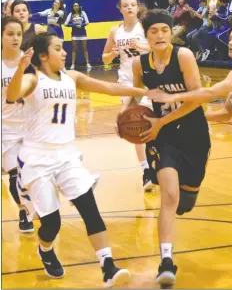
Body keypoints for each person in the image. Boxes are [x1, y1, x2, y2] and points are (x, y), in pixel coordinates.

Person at [6, 31, 150, 286]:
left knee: (90, 209)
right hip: (37, 159)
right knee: (51, 224)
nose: (64, 52)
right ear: (43, 55)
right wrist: (19, 69)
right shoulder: (32, 79)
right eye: (58, 48)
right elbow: (11, 94)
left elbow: (108, 87)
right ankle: (46, 249)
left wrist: (144, 90)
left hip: (67, 156)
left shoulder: (72, 77)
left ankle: (108, 265)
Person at [148, 21, 232, 279]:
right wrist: (183, 116)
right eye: (230, 38)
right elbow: (223, 113)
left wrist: (172, 98)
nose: (230, 42)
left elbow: (211, 91)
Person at [132, 9, 211, 286]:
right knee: (169, 196)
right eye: (153, 31)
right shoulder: (140, 64)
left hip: (194, 135)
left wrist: (167, 106)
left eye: (164, 29)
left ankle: (185, 199)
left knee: (184, 203)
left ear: (171, 31)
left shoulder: (184, 56)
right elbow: (136, 96)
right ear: (147, 35)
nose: (160, 35)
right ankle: (166, 261)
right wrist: (129, 118)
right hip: (162, 136)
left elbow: (197, 97)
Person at [102, 0, 154, 191]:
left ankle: (159, 159)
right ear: (120, 9)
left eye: (133, 4)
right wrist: (113, 53)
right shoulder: (115, 30)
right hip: (126, 80)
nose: (130, 7)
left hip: (148, 77)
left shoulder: (145, 27)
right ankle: (146, 170)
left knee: (154, 122)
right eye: (126, 5)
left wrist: (141, 46)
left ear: (137, 7)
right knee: (136, 124)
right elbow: (105, 58)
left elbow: (159, 47)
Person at [1, 16, 35, 233]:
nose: (15, 38)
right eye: (10, 34)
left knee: (32, 173)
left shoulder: (30, 61)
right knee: (15, 175)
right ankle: (23, 210)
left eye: (19, 34)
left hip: (31, 126)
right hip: (5, 128)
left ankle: (35, 205)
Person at [64, 2, 91, 70]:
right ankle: (73, 64)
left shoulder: (83, 13)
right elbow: (65, 24)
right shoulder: (71, 14)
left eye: (77, 6)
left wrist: (81, 25)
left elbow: (87, 22)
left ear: (79, 6)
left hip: (82, 33)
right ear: (73, 7)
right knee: (74, 49)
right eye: (74, 6)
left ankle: (87, 63)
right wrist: (74, 25)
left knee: (85, 48)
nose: (76, 7)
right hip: (74, 33)